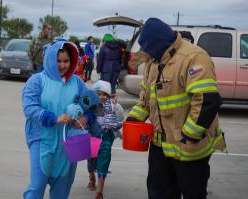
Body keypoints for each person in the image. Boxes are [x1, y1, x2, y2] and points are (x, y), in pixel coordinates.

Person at [126, 18, 227, 199]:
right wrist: (133, 119)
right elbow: (146, 97)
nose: (147, 54)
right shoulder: (153, 61)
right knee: (158, 193)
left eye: (149, 49)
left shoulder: (194, 58)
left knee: (192, 194)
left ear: (160, 45)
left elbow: (206, 101)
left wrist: (188, 136)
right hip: (160, 147)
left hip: (189, 149)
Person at [22, 39, 94, 199]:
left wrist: (86, 118)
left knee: (61, 191)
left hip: (69, 144)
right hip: (41, 141)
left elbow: (91, 104)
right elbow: (29, 107)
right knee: (37, 187)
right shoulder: (37, 80)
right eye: (58, 61)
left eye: (66, 61)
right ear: (49, 59)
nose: (62, 65)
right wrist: (53, 118)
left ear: (73, 60)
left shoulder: (78, 83)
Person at [88, 80, 122, 199]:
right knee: (92, 160)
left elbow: (118, 120)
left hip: (106, 137)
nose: (101, 97)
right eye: (98, 93)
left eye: (104, 94)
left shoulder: (113, 107)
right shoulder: (89, 106)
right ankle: (92, 177)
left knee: (104, 161)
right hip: (93, 136)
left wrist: (119, 130)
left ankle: (99, 192)